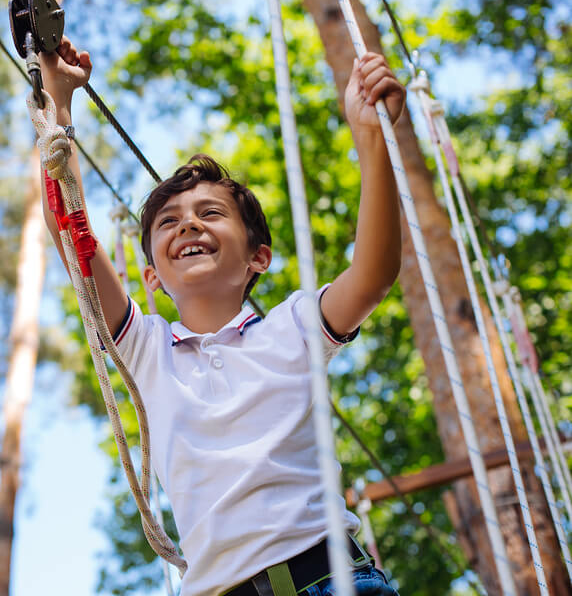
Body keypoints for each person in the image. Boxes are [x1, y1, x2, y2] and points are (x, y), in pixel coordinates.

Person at [37, 35, 405, 596]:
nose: (188, 225)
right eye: (169, 223)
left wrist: (372, 140)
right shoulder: (147, 352)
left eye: (210, 213)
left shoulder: (295, 327)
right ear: (152, 277)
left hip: (331, 580)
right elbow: (71, 233)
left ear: (258, 257)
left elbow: (374, 274)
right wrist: (57, 102)